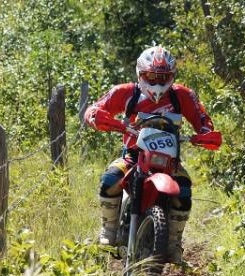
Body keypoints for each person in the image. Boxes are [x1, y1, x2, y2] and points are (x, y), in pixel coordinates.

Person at [84, 46, 217, 264]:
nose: (157, 83)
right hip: (134, 156)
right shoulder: (126, 93)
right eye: (151, 77)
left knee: (183, 192)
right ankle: (108, 230)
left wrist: (205, 134)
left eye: (163, 77)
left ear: (172, 76)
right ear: (140, 74)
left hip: (169, 162)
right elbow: (95, 108)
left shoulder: (182, 95)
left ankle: (174, 244)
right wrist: (96, 117)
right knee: (110, 179)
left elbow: (202, 118)